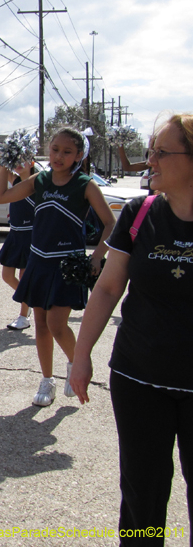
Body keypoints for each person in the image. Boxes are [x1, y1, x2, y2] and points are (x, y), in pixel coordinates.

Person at [70, 114, 193, 541]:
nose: (149, 160)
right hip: (138, 377)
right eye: (151, 149)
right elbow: (106, 290)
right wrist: (81, 356)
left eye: (162, 151)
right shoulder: (140, 213)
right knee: (142, 495)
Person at [0, 127, 116, 407]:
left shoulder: (85, 184)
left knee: (57, 324)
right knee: (40, 325)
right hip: (39, 260)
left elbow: (111, 224)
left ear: (79, 156)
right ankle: (46, 380)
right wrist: (6, 165)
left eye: (67, 151)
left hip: (67, 264)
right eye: (55, 149)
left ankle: (76, 363)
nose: (59, 156)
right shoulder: (41, 180)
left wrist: (97, 256)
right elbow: (1, 197)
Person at [0, 159, 36, 330]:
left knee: (25, 277)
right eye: (16, 161)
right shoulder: (16, 180)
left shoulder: (37, 183)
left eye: (23, 160)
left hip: (31, 234)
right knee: (7, 276)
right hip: (15, 233)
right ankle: (30, 300)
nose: (19, 164)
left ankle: (23, 316)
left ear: (31, 162)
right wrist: (7, 154)